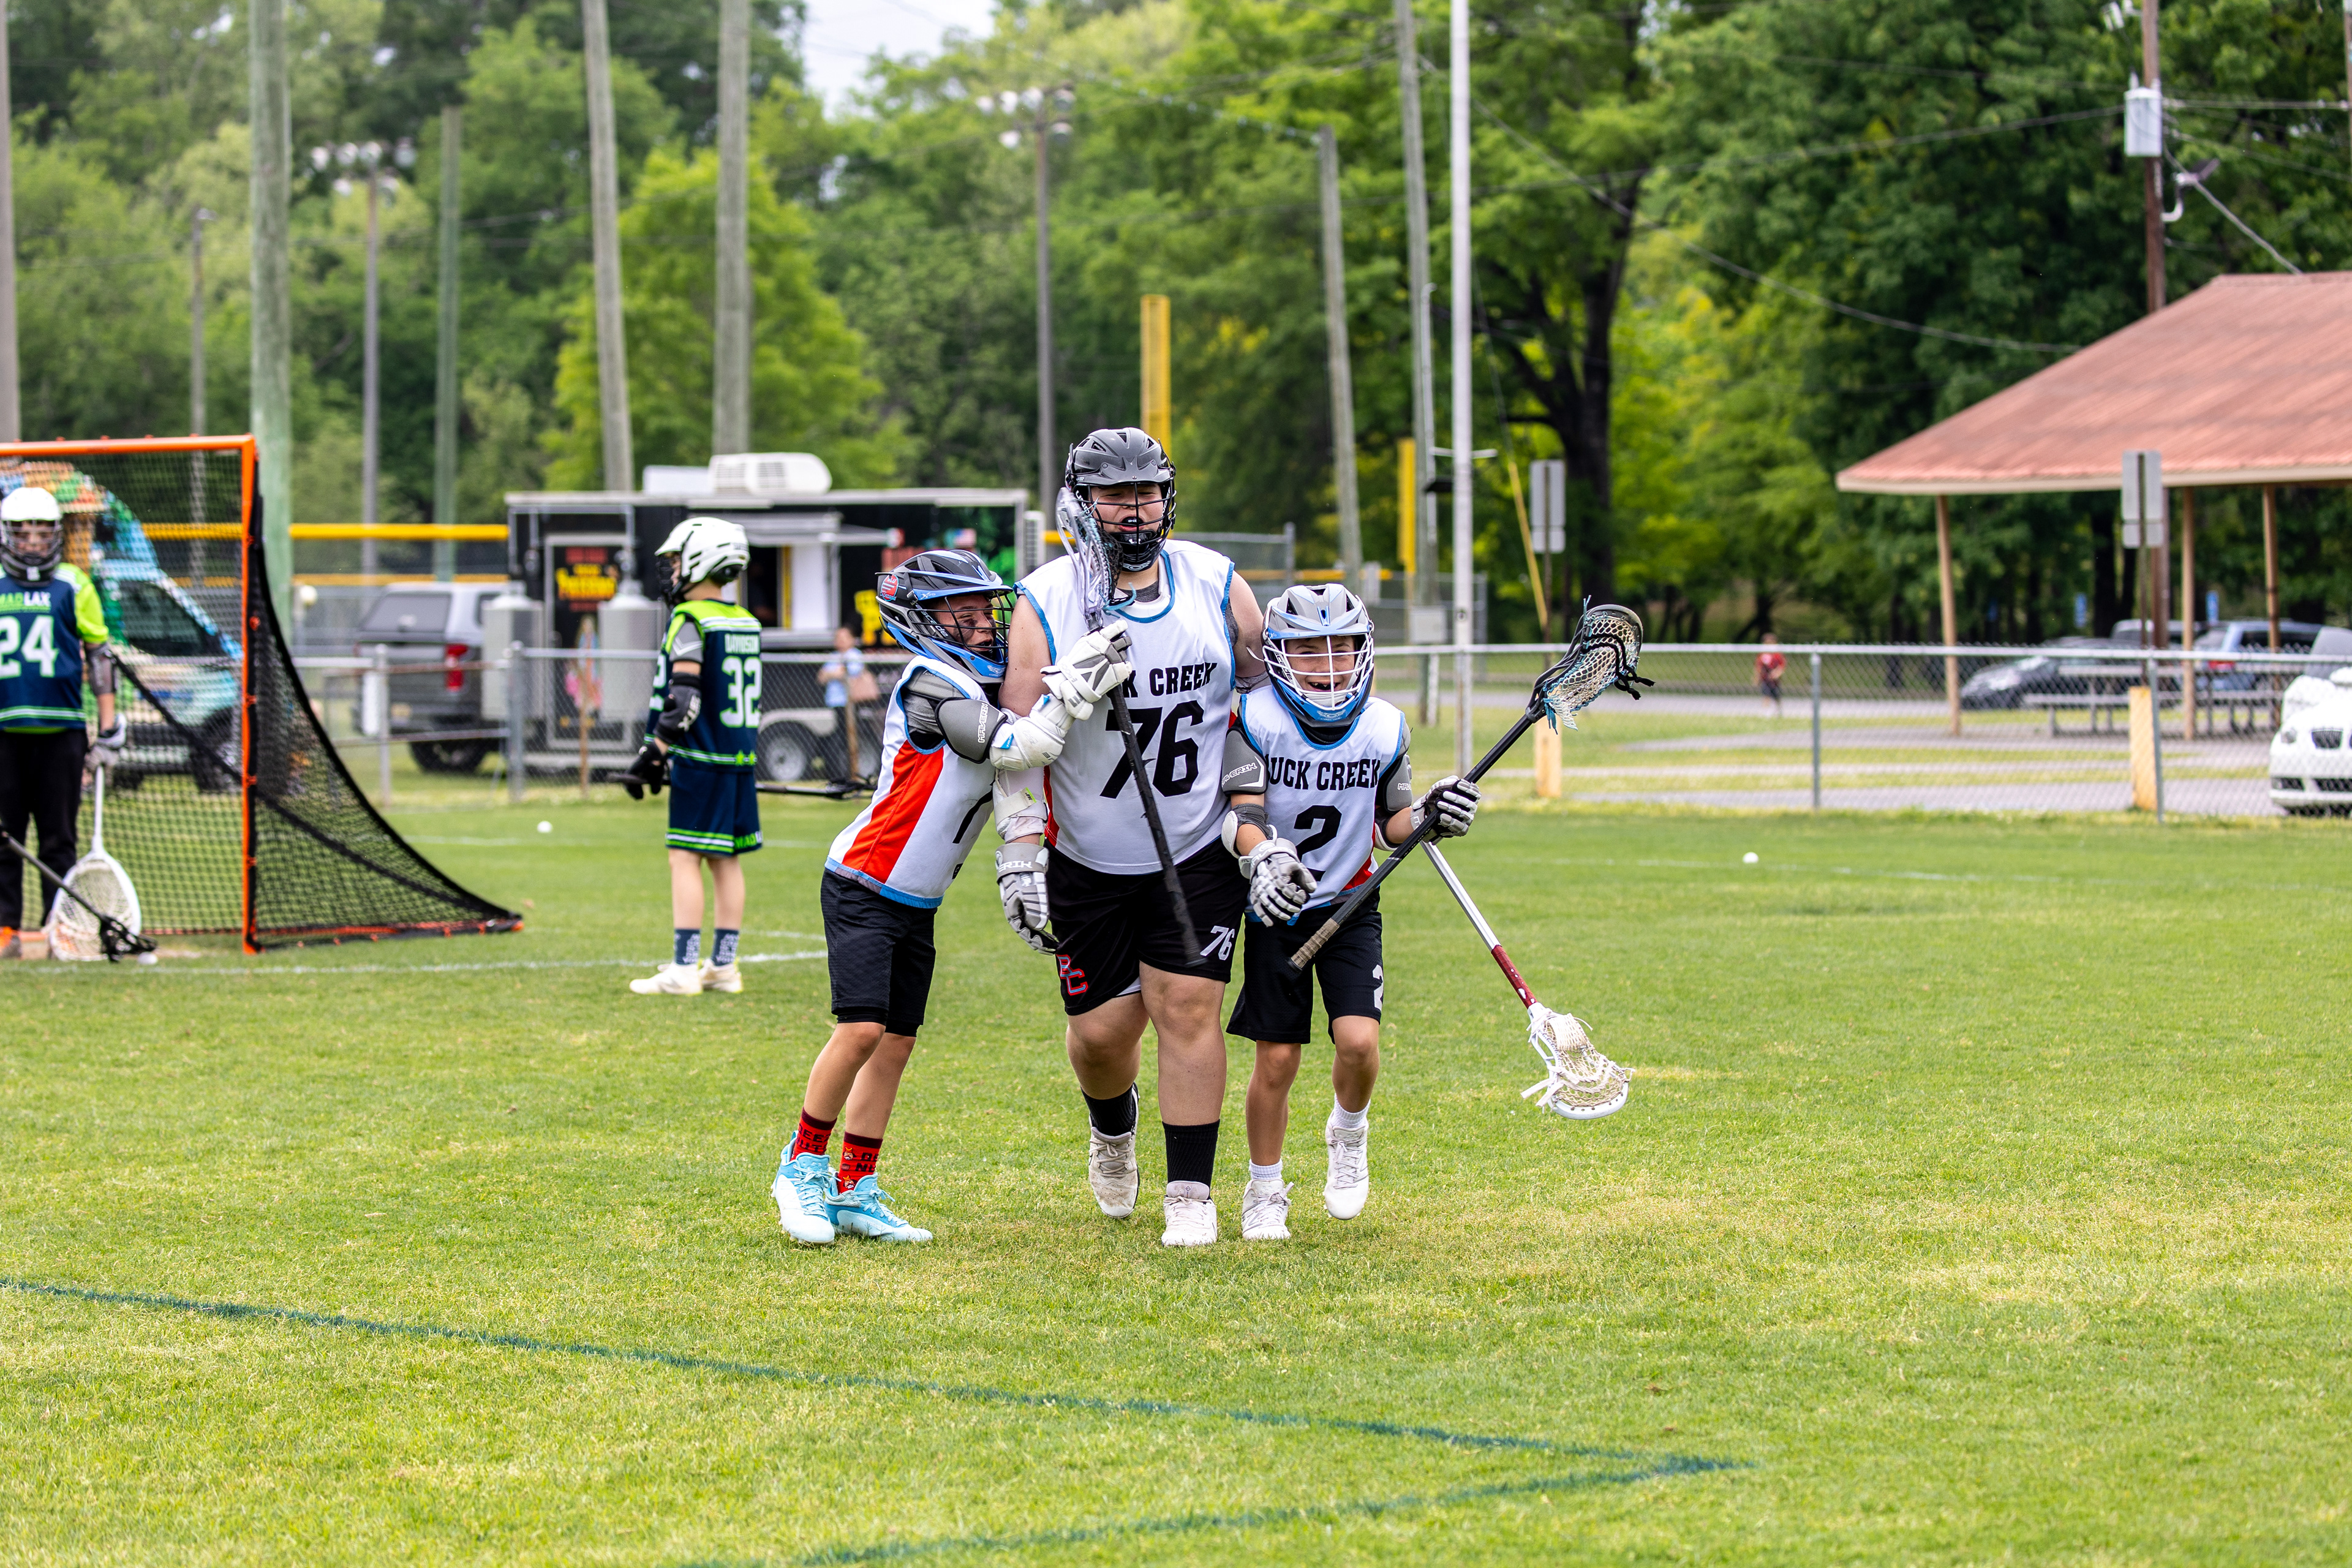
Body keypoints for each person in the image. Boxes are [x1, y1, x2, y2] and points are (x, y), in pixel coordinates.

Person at [771, 549, 1131, 1244]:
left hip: (918, 901)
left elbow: (1018, 775)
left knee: (895, 1044)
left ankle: (854, 1186)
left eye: (981, 608)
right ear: (920, 619)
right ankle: (802, 1165)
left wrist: (1023, 858)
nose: (980, 622)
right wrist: (1072, 687)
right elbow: (1017, 747)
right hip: (865, 882)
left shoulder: (981, 684)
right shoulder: (929, 683)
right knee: (862, 1030)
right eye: (958, 611)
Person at [995, 428, 1265, 1248]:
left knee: (1187, 1007)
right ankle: (1113, 1125)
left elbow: (1261, 707)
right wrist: (1020, 850)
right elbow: (1013, 741)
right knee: (1102, 1034)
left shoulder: (1217, 583)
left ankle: (1191, 1190)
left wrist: (1260, 821)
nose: (1134, 509)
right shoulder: (1044, 599)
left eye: (1146, 492)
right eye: (1115, 496)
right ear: (1082, 504)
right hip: (1089, 852)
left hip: (1194, 845)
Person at [1219, 585, 1480, 1240]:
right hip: (1279, 901)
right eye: (1310, 649)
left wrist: (1433, 812)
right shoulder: (1254, 717)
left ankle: (1349, 1131)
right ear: (1279, 655)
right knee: (1277, 1059)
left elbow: (1392, 826)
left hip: (1352, 901)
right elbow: (1244, 815)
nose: (1328, 664)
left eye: (1341, 647)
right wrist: (1267, 856)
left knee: (1359, 1042)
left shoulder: (1385, 726)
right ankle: (1264, 1188)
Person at [622, 517, 763, 995]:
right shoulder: (744, 620)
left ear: (701, 559)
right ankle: (723, 966)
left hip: (701, 761)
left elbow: (685, 698)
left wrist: (654, 751)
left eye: (678, 561)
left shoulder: (690, 619)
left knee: (684, 856)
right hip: (738, 761)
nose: (674, 571)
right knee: (727, 861)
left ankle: (683, 969)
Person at [0, 486, 124, 957]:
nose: (32, 543)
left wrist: (108, 729)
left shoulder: (74, 584)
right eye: (23, 534)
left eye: (42, 533)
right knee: (4, 838)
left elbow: (99, 657)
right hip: (5, 731)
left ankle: (58, 928)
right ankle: (5, 929)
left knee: (59, 840)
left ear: (56, 535)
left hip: (62, 732)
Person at [818, 624, 875, 782]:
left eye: (844, 637)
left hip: (850, 704)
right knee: (837, 740)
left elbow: (850, 673)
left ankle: (851, 775)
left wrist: (833, 673)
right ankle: (839, 776)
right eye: (838, 638)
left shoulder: (855, 655)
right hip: (834, 703)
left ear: (852, 640)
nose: (840, 641)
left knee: (848, 739)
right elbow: (821, 676)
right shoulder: (834, 656)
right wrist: (835, 673)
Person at [1757, 633, 1786, 717]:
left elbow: (1782, 666)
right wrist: (1757, 677)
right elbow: (1758, 666)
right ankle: (1766, 712)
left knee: (1777, 696)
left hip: (1775, 681)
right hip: (1765, 679)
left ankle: (1779, 711)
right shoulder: (1762, 654)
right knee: (1766, 695)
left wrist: (1777, 673)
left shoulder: (1777, 655)